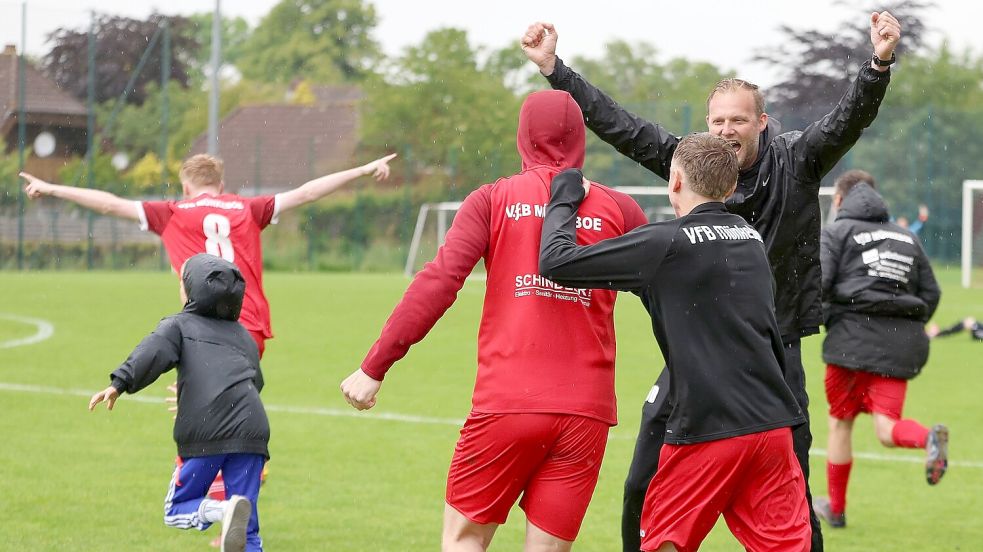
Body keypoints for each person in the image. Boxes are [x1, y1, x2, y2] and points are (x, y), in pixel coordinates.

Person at [521, 11, 901, 551]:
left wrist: (879, 62)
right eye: (717, 121)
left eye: (738, 121)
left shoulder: (798, 160)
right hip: (696, 359)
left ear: (762, 123)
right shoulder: (695, 164)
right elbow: (624, 127)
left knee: (793, 491)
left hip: (772, 355)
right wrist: (557, 70)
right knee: (639, 484)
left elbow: (847, 119)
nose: (726, 131)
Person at [24, 151, 395, 546]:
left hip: (202, 330)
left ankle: (214, 505)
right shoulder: (245, 207)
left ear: (185, 185)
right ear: (221, 182)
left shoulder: (172, 211)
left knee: (202, 422)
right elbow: (306, 193)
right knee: (224, 414)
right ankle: (234, 518)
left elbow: (110, 203)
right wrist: (362, 168)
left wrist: (51, 188)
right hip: (247, 329)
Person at [340, 90, 647, 552]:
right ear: (581, 139)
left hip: (509, 400)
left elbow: (439, 283)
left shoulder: (494, 198)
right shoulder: (619, 209)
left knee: (465, 540)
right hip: (587, 410)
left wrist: (374, 366)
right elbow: (670, 288)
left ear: (523, 136)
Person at [539, 133, 810, 551]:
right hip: (772, 427)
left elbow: (556, 261)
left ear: (676, 181)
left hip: (710, 429)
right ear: (731, 187)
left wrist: (564, 194)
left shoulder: (667, 242)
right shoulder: (749, 237)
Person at [88, 254, 270, 552]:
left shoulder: (179, 325)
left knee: (177, 509)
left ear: (192, 292)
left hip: (206, 430)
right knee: (248, 532)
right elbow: (256, 382)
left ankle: (222, 511)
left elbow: (152, 353)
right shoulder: (244, 336)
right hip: (253, 431)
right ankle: (233, 513)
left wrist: (119, 382)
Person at [813, 169, 946, 529]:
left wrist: (831, 321)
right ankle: (927, 438)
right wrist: (907, 326)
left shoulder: (837, 231)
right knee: (888, 430)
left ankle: (836, 510)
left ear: (838, 200)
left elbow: (820, 283)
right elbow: (931, 293)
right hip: (900, 349)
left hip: (848, 347)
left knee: (840, 423)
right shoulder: (907, 237)